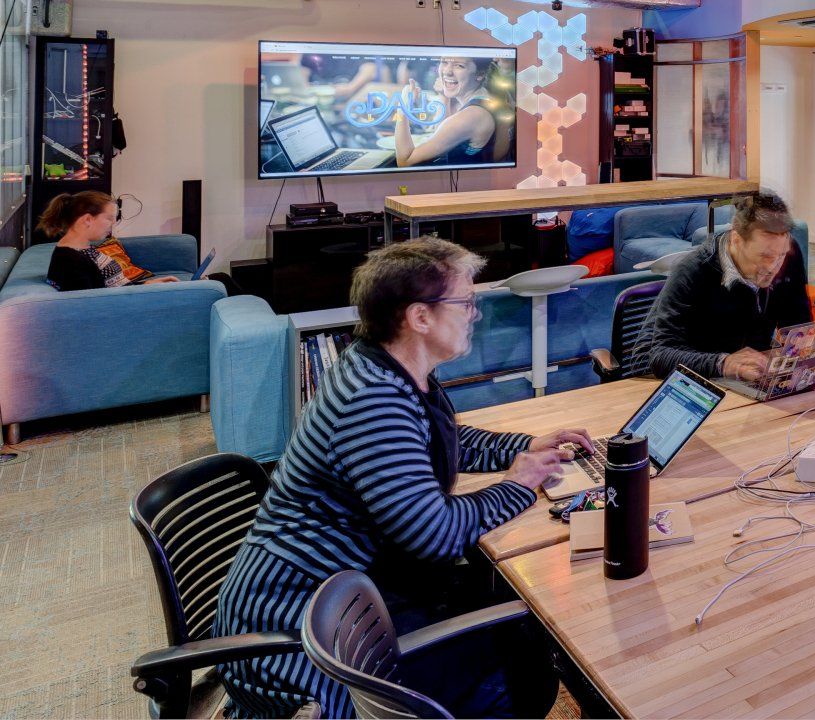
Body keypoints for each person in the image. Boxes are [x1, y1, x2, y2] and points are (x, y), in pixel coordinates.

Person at [212, 238, 587, 718]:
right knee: (520, 657)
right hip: (309, 632)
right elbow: (434, 533)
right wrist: (517, 486)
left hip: (345, 592)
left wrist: (522, 448)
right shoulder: (372, 400)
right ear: (420, 317)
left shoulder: (386, 368)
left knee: (506, 618)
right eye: (465, 301)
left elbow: (436, 440)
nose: (474, 312)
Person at [634, 190, 811, 384]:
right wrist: (724, 363)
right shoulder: (693, 270)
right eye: (764, 256)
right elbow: (660, 355)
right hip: (677, 378)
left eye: (781, 255)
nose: (773, 267)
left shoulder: (788, 255)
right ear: (736, 239)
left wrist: (805, 345)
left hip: (745, 378)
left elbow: (797, 325)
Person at [39, 191, 182, 290]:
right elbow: (99, 305)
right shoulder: (69, 261)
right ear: (87, 219)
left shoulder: (82, 249)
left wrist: (147, 284)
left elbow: (113, 291)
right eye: (109, 218)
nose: (113, 224)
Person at [392, 55, 511, 167]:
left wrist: (403, 107)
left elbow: (404, 161)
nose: (447, 71)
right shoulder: (485, 98)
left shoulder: (471, 116)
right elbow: (440, 135)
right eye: (444, 62)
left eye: (459, 65)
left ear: (480, 74)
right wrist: (444, 97)